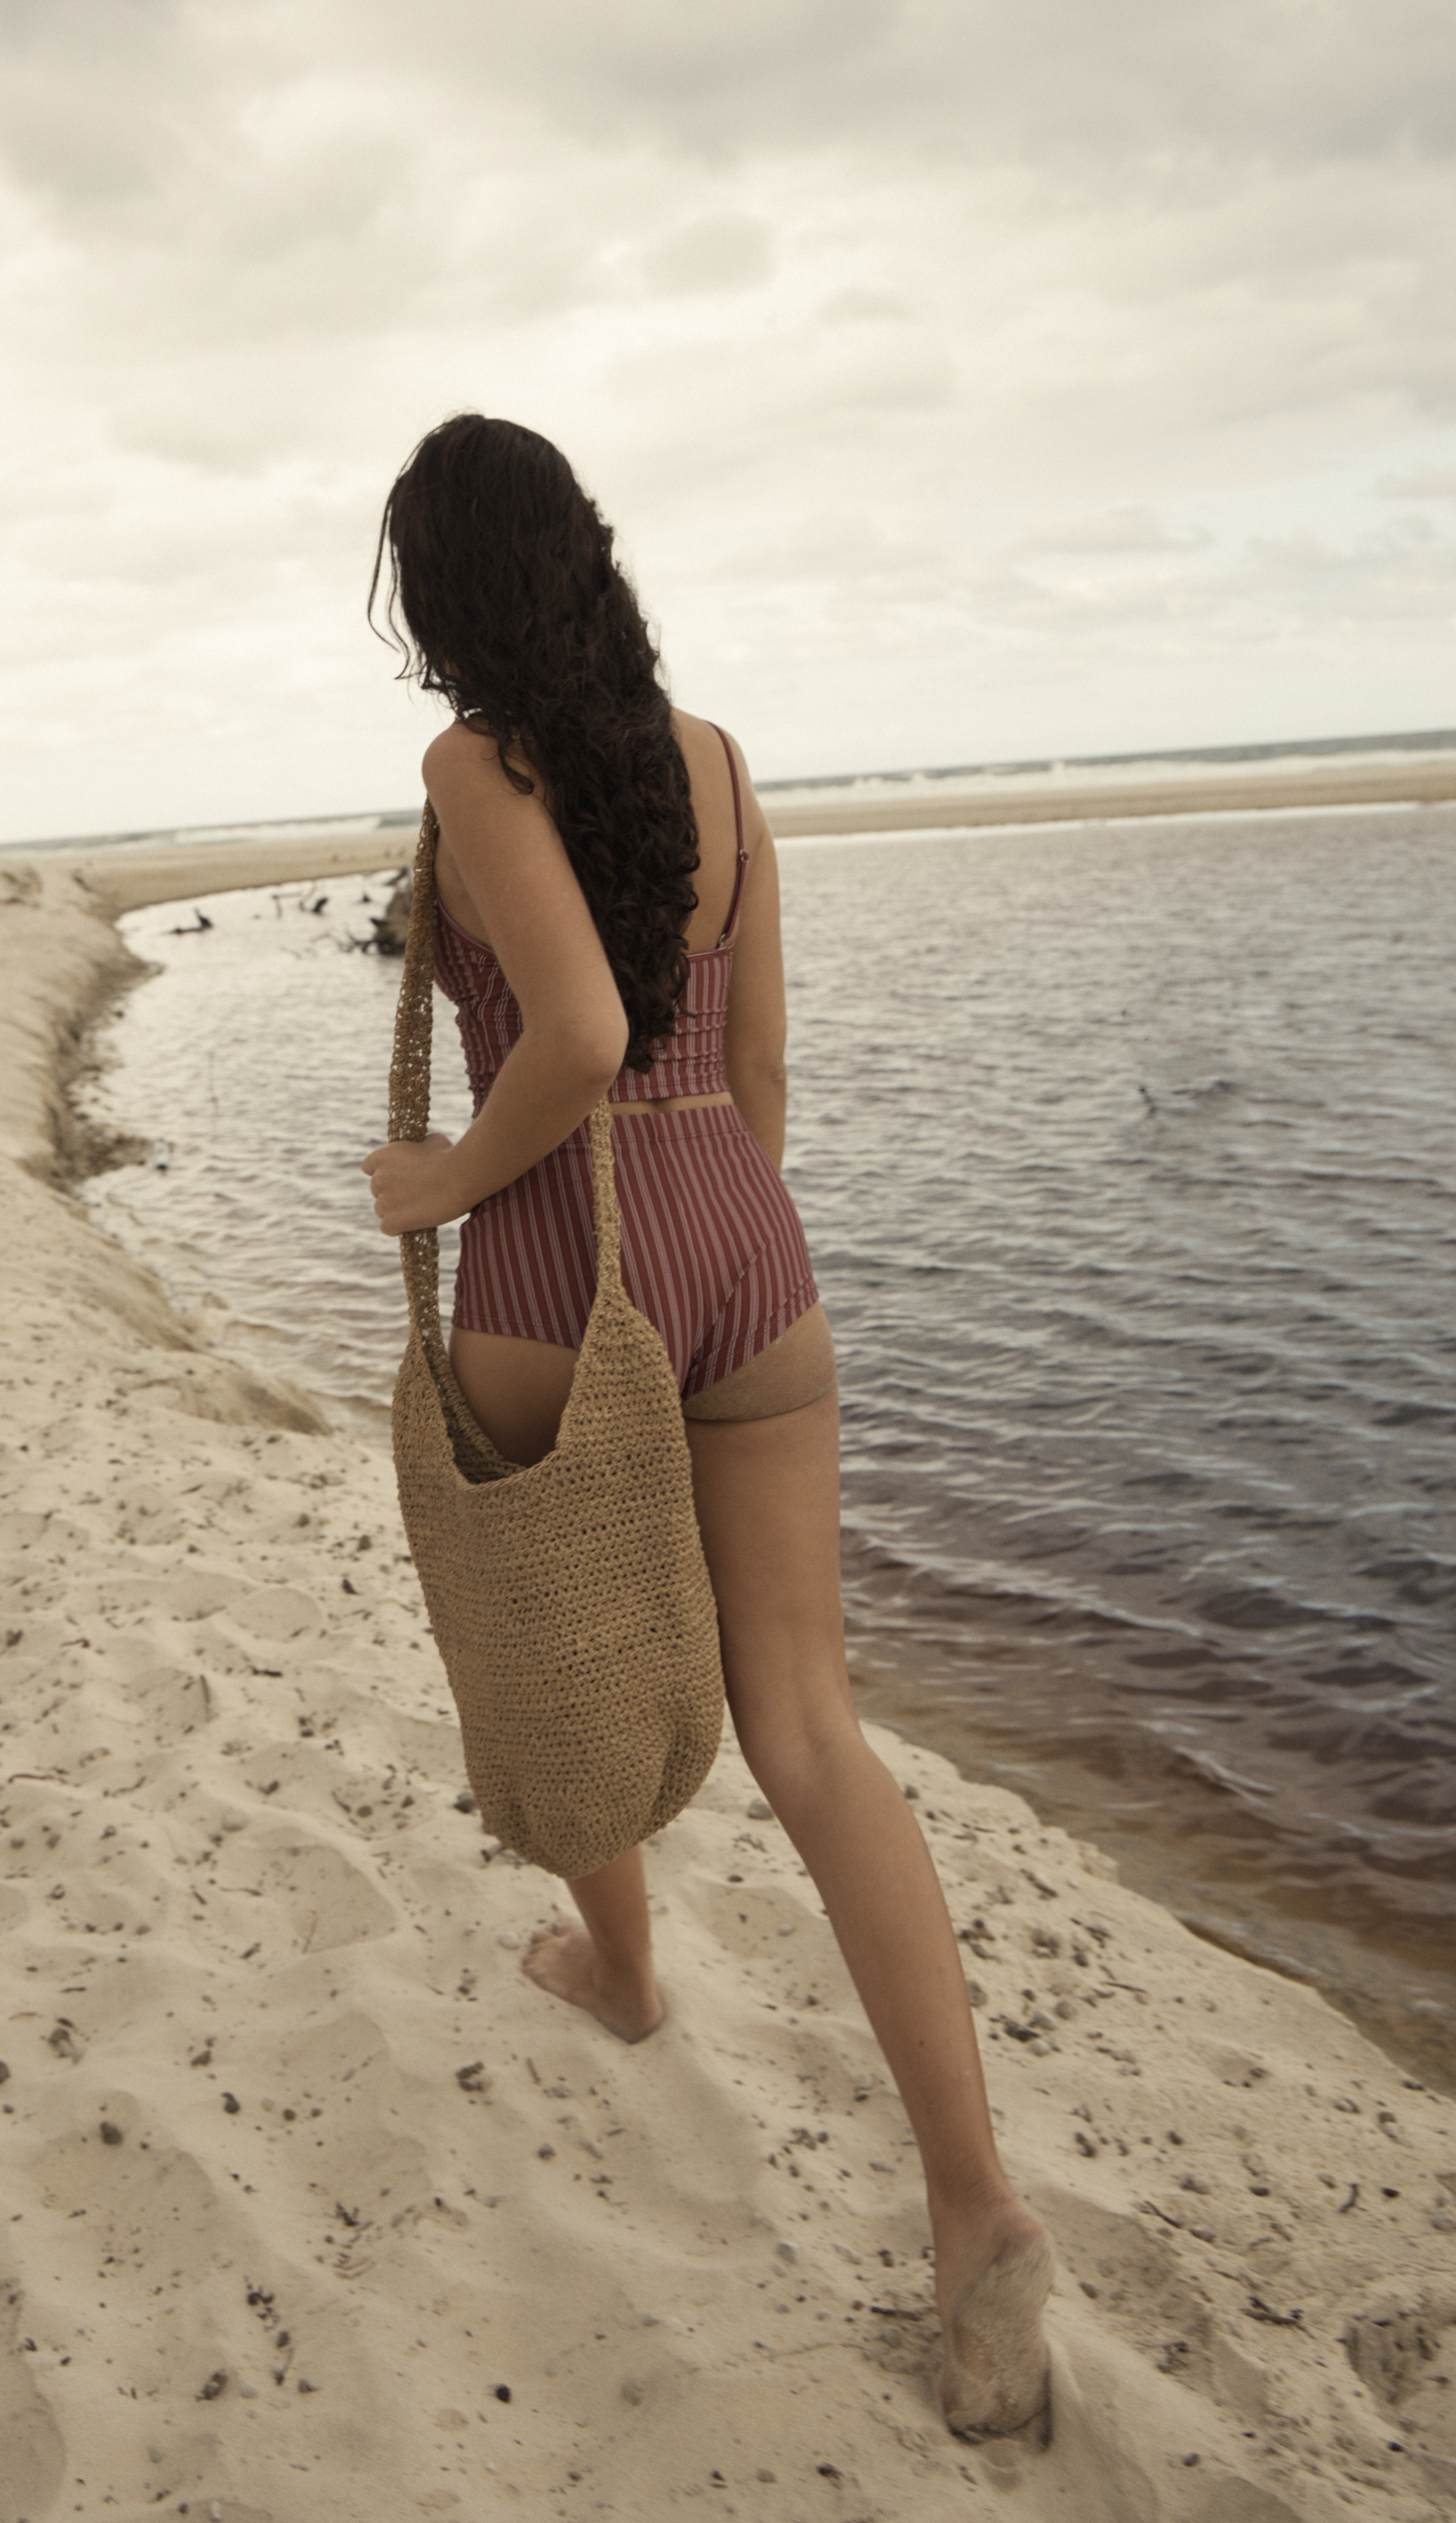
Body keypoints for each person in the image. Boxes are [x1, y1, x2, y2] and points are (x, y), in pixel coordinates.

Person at [360, 414, 1054, 2440]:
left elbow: (573, 1031)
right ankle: (974, 2204)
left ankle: (628, 1972)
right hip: (749, 1248)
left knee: (555, 1636)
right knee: (811, 1726)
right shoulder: (722, 758)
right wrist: (713, 1243)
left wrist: (442, 1180)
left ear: (439, 592)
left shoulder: (474, 765)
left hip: (555, 1262)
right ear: (585, 551)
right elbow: (755, 1067)